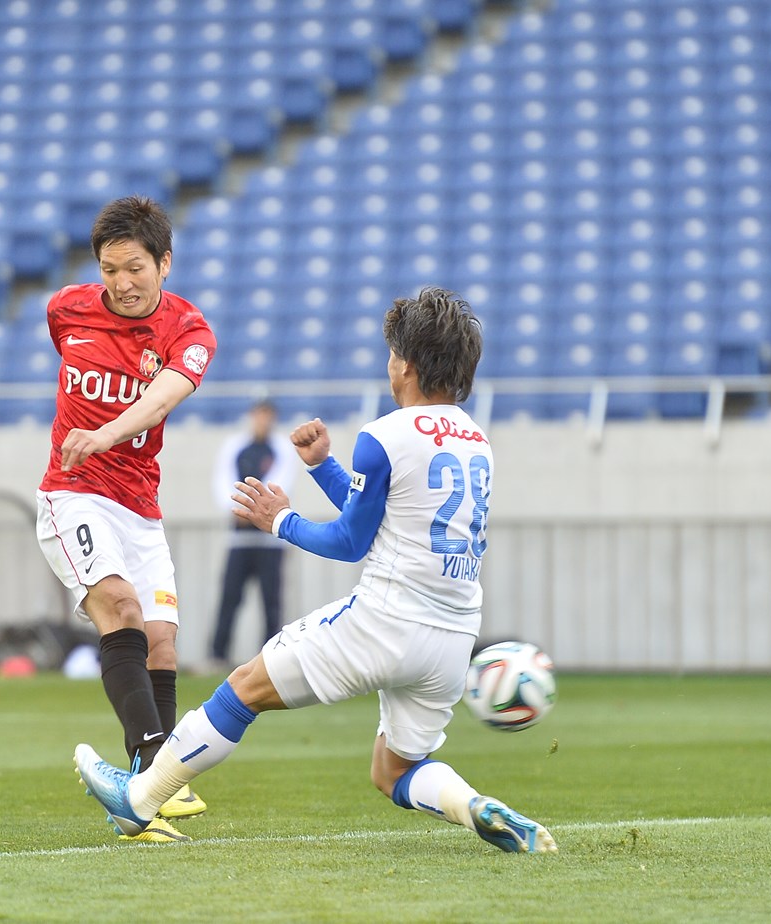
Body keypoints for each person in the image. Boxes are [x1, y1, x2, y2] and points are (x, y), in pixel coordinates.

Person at [75, 287, 557, 855]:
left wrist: (281, 521)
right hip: (453, 638)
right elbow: (385, 511)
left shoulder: (386, 433)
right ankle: (474, 805)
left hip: (384, 621)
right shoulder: (478, 441)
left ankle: (140, 798)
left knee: (242, 690)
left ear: (406, 362)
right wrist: (325, 466)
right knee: (394, 771)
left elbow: (353, 540)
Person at [37, 196, 216, 842]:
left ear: (165, 263)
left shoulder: (189, 332)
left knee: (163, 643)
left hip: (140, 508)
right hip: (72, 494)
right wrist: (90, 442)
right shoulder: (67, 309)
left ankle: (147, 792)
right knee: (120, 609)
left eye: (136, 267)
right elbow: (66, 330)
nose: (122, 282)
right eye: (110, 269)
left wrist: (106, 432)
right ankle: (155, 773)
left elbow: (163, 395)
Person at [208, 399, 296, 667]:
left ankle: (272, 656)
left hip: (270, 539)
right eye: (259, 414)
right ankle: (218, 654)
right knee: (230, 596)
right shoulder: (236, 446)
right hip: (239, 536)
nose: (263, 420)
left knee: (271, 600)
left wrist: (259, 511)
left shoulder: (281, 448)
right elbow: (223, 481)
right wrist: (240, 509)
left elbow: (282, 481)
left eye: (268, 415)